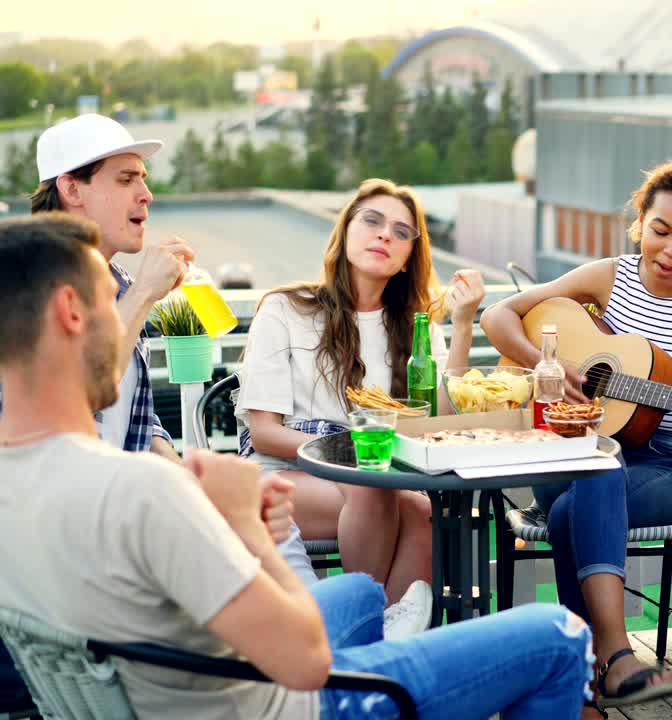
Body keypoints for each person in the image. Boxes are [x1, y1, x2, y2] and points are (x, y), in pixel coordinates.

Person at [0, 212, 593, 720]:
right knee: (559, 635)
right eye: (113, 299)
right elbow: (305, 662)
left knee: (361, 593)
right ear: (71, 312)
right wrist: (249, 530)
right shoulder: (146, 489)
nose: (127, 322)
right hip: (281, 703)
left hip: (179, 681)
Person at [481, 158, 672, 711]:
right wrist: (546, 366)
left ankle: (580, 683)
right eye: (661, 232)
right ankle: (613, 652)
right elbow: (498, 316)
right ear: (640, 223)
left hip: (659, 465)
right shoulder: (608, 277)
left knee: (574, 503)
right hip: (569, 451)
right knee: (593, 469)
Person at [235, 179, 485, 611]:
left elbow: (440, 422)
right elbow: (264, 434)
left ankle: (377, 642)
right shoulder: (286, 309)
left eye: (401, 231)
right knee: (372, 484)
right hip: (283, 473)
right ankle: (362, 622)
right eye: (372, 221)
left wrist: (463, 324)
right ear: (345, 231)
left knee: (426, 512)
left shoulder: (415, 327)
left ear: (409, 257)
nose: (385, 234)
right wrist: (356, 450)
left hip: (376, 479)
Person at [0, 114, 193, 460]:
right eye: (126, 180)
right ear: (72, 188)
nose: (146, 195)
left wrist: (189, 477)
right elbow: (73, 398)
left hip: (112, 501)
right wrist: (145, 294)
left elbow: (138, 419)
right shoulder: (20, 285)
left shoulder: (122, 286)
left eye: (143, 180)